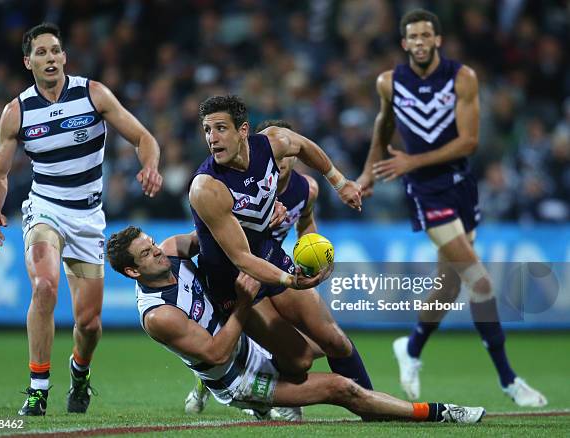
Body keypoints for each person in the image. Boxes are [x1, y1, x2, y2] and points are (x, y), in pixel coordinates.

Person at [356, 9, 546, 407]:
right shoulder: (389, 82)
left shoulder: (463, 78)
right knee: (481, 282)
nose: (421, 41)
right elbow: (383, 124)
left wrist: (410, 160)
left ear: (438, 40)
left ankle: (410, 348)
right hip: (426, 193)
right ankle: (509, 380)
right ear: (405, 43)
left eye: (427, 34)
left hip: (461, 186)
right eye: (413, 36)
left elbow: (469, 142)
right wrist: (368, 174)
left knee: (450, 283)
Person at [106, 225, 486, 424]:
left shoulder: (172, 250)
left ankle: (255, 397)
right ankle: (437, 412)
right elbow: (215, 352)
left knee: (326, 342)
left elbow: (214, 240)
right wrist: (242, 302)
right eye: (147, 253)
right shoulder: (158, 315)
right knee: (341, 388)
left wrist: (262, 231)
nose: (157, 251)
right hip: (236, 375)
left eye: (152, 243)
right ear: (131, 270)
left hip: (246, 339)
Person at [0, 23, 163, 416]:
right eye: (42, 53)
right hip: (45, 208)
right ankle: (38, 389)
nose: (51, 58)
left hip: (88, 218)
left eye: (56, 51)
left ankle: (79, 373)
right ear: (28, 61)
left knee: (89, 324)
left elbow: (143, 138)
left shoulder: (92, 94)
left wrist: (149, 166)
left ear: (65, 57)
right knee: (45, 285)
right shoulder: (16, 112)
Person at [189, 96, 375, 411]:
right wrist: (290, 280)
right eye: (207, 130)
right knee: (301, 360)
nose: (212, 138)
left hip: (268, 252)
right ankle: (253, 381)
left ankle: (374, 409)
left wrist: (340, 182)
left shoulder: (271, 145)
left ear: (243, 131)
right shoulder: (206, 188)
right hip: (235, 281)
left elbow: (302, 145)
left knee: (335, 340)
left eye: (220, 128)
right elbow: (241, 259)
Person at [184, 118, 320, 415]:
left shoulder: (304, 189)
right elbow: (233, 243)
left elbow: (307, 224)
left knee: (320, 344)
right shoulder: (234, 182)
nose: (282, 162)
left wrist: (310, 253)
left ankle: (233, 367)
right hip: (245, 273)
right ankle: (263, 394)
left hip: (272, 262)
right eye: (208, 130)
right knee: (299, 355)